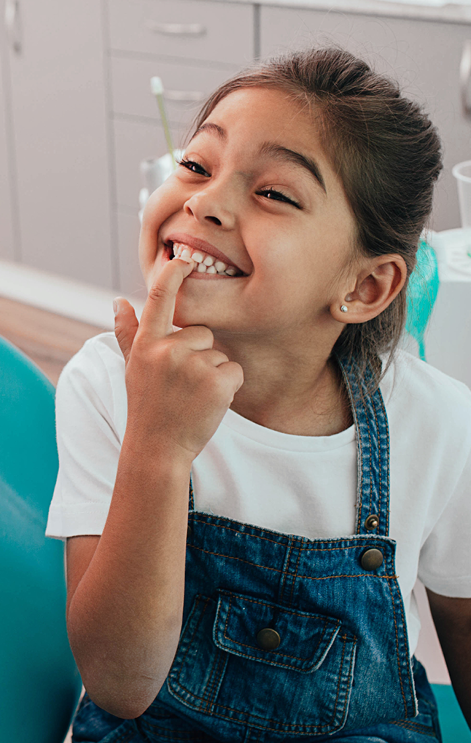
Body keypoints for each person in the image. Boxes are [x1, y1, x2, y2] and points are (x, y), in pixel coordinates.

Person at [46, 47, 471, 742]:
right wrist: (158, 442)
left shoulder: (438, 423)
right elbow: (120, 683)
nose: (203, 202)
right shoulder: (106, 384)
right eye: (195, 165)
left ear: (363, 287)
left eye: (272, 192)